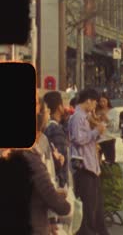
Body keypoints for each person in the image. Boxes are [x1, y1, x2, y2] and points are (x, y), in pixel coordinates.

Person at [0, 95, 71, 235]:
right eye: (45, 111)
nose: (47, 114)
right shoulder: (27, 154)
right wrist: (65, 206)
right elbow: (48, 192)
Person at [68, 88, 109, 235]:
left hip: (91, 165)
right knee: (88, 206)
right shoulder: (78, 117)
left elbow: (88, 139)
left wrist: (97, 130)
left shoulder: (85, 116)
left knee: (96, 205)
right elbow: (79, 139)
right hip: (84, 167)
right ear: (88, 101)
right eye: (94, 102)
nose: (95, 106)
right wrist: (96, 131)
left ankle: (98, 230)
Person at [43, 91, 69, 188]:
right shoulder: (56, 129)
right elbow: (61, 161)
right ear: (59, 107)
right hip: (58, 183)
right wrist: (62, 184)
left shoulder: (49, 127)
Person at [96, 94, 119, 163]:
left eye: (104, 101)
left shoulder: (113, 111)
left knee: (110, 161)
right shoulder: (96, 111)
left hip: (109, 139)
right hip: (98, 140)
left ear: (108, 101)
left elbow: (115, 128)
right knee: (96, 162)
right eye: (100, 101)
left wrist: (106, 119)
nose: (102, 103)